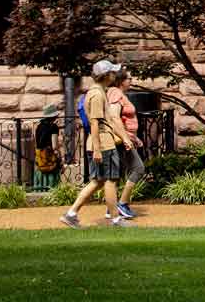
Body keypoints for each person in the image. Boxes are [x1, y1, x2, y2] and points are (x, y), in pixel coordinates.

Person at [62, 60, 131, 228]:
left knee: (97, 182)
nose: (115, 75)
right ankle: (115, 220)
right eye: (113, 73)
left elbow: (109, 119)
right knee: (110, 181)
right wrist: (98, 150)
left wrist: (125, 138)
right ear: (107, 75)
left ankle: (71, 214)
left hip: (101, 142)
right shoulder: (97, 95)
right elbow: (94, 123)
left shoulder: (99, 92)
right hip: (102, 143)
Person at [108, 66, 146, 220]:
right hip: (122, 141)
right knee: (138, 168)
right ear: (122, 81)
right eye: (129, 78)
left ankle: (111, 208)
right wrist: (125, 138)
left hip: (127, 139)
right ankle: (122, 204)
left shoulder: (118, 93)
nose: (131, 81)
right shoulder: (116, 93)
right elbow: (114, 117)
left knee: (117, 174)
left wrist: (134, 137)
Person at [32, 104, 63, 192]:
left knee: (40, 175)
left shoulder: (38, 126)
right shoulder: (53, 127)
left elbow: (37, 143)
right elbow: (54, 146)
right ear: (54, 116)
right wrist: (60, 160)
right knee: (52, 177)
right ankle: (51, 192)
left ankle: (40, 192)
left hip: (40, 157)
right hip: (49, 158)